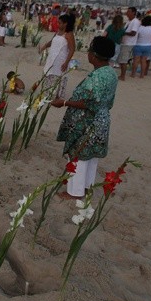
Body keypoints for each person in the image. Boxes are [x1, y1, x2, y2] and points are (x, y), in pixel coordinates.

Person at [51, 36, 118, 199]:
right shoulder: (110, 72)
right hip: (102, 119)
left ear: (93, 55)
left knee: (78, 155)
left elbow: (89, 102)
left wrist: (65, 102)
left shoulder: (98, 76)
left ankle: (75, 193)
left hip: (90, 122)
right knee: (90, 156)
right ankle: (86, 187)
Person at [38, 13, 76, 100]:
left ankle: (57, 96)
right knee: (49, 73)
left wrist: (66, 62)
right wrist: (43, 47)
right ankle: (48, 94)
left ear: (65, 24)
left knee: (59, 76)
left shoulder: (69, 34)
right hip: (52, 58)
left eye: (59, 23)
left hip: (61, 60)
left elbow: (72, 49)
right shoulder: (58, 32)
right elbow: (52, 42)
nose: (57, 24)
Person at [132, 14, 151, 79]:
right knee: (144, 61)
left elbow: (136, 37)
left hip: (138, 45)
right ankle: (142, 75)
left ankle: (133, 74)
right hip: (148, 46)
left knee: (136, 60)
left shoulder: (139, 28)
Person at [118, 6, 140, 81]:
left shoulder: (135, 21)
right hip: (125, 42)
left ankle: (122, 76)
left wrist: (123, 32)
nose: (127, 13)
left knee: (123, 60)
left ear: (133, 12)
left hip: (128, 43)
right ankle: (122, 75)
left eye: (129, 11)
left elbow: (133, 33)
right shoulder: (129, 21)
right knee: (121, 60)